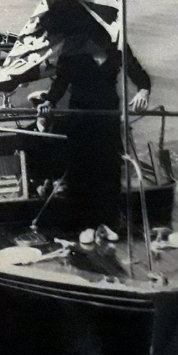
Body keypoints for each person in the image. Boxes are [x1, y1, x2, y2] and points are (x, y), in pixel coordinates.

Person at [36, 42, 151, 235]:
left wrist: (143, 92)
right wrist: (48, 102)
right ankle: (84, 225)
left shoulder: (118, 44)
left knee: (110, 167)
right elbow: (61, 82)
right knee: (81, 168)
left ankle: (108, 222)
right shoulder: (72, 47)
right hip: (81, 113)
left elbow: (139, 75)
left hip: (108, 113)